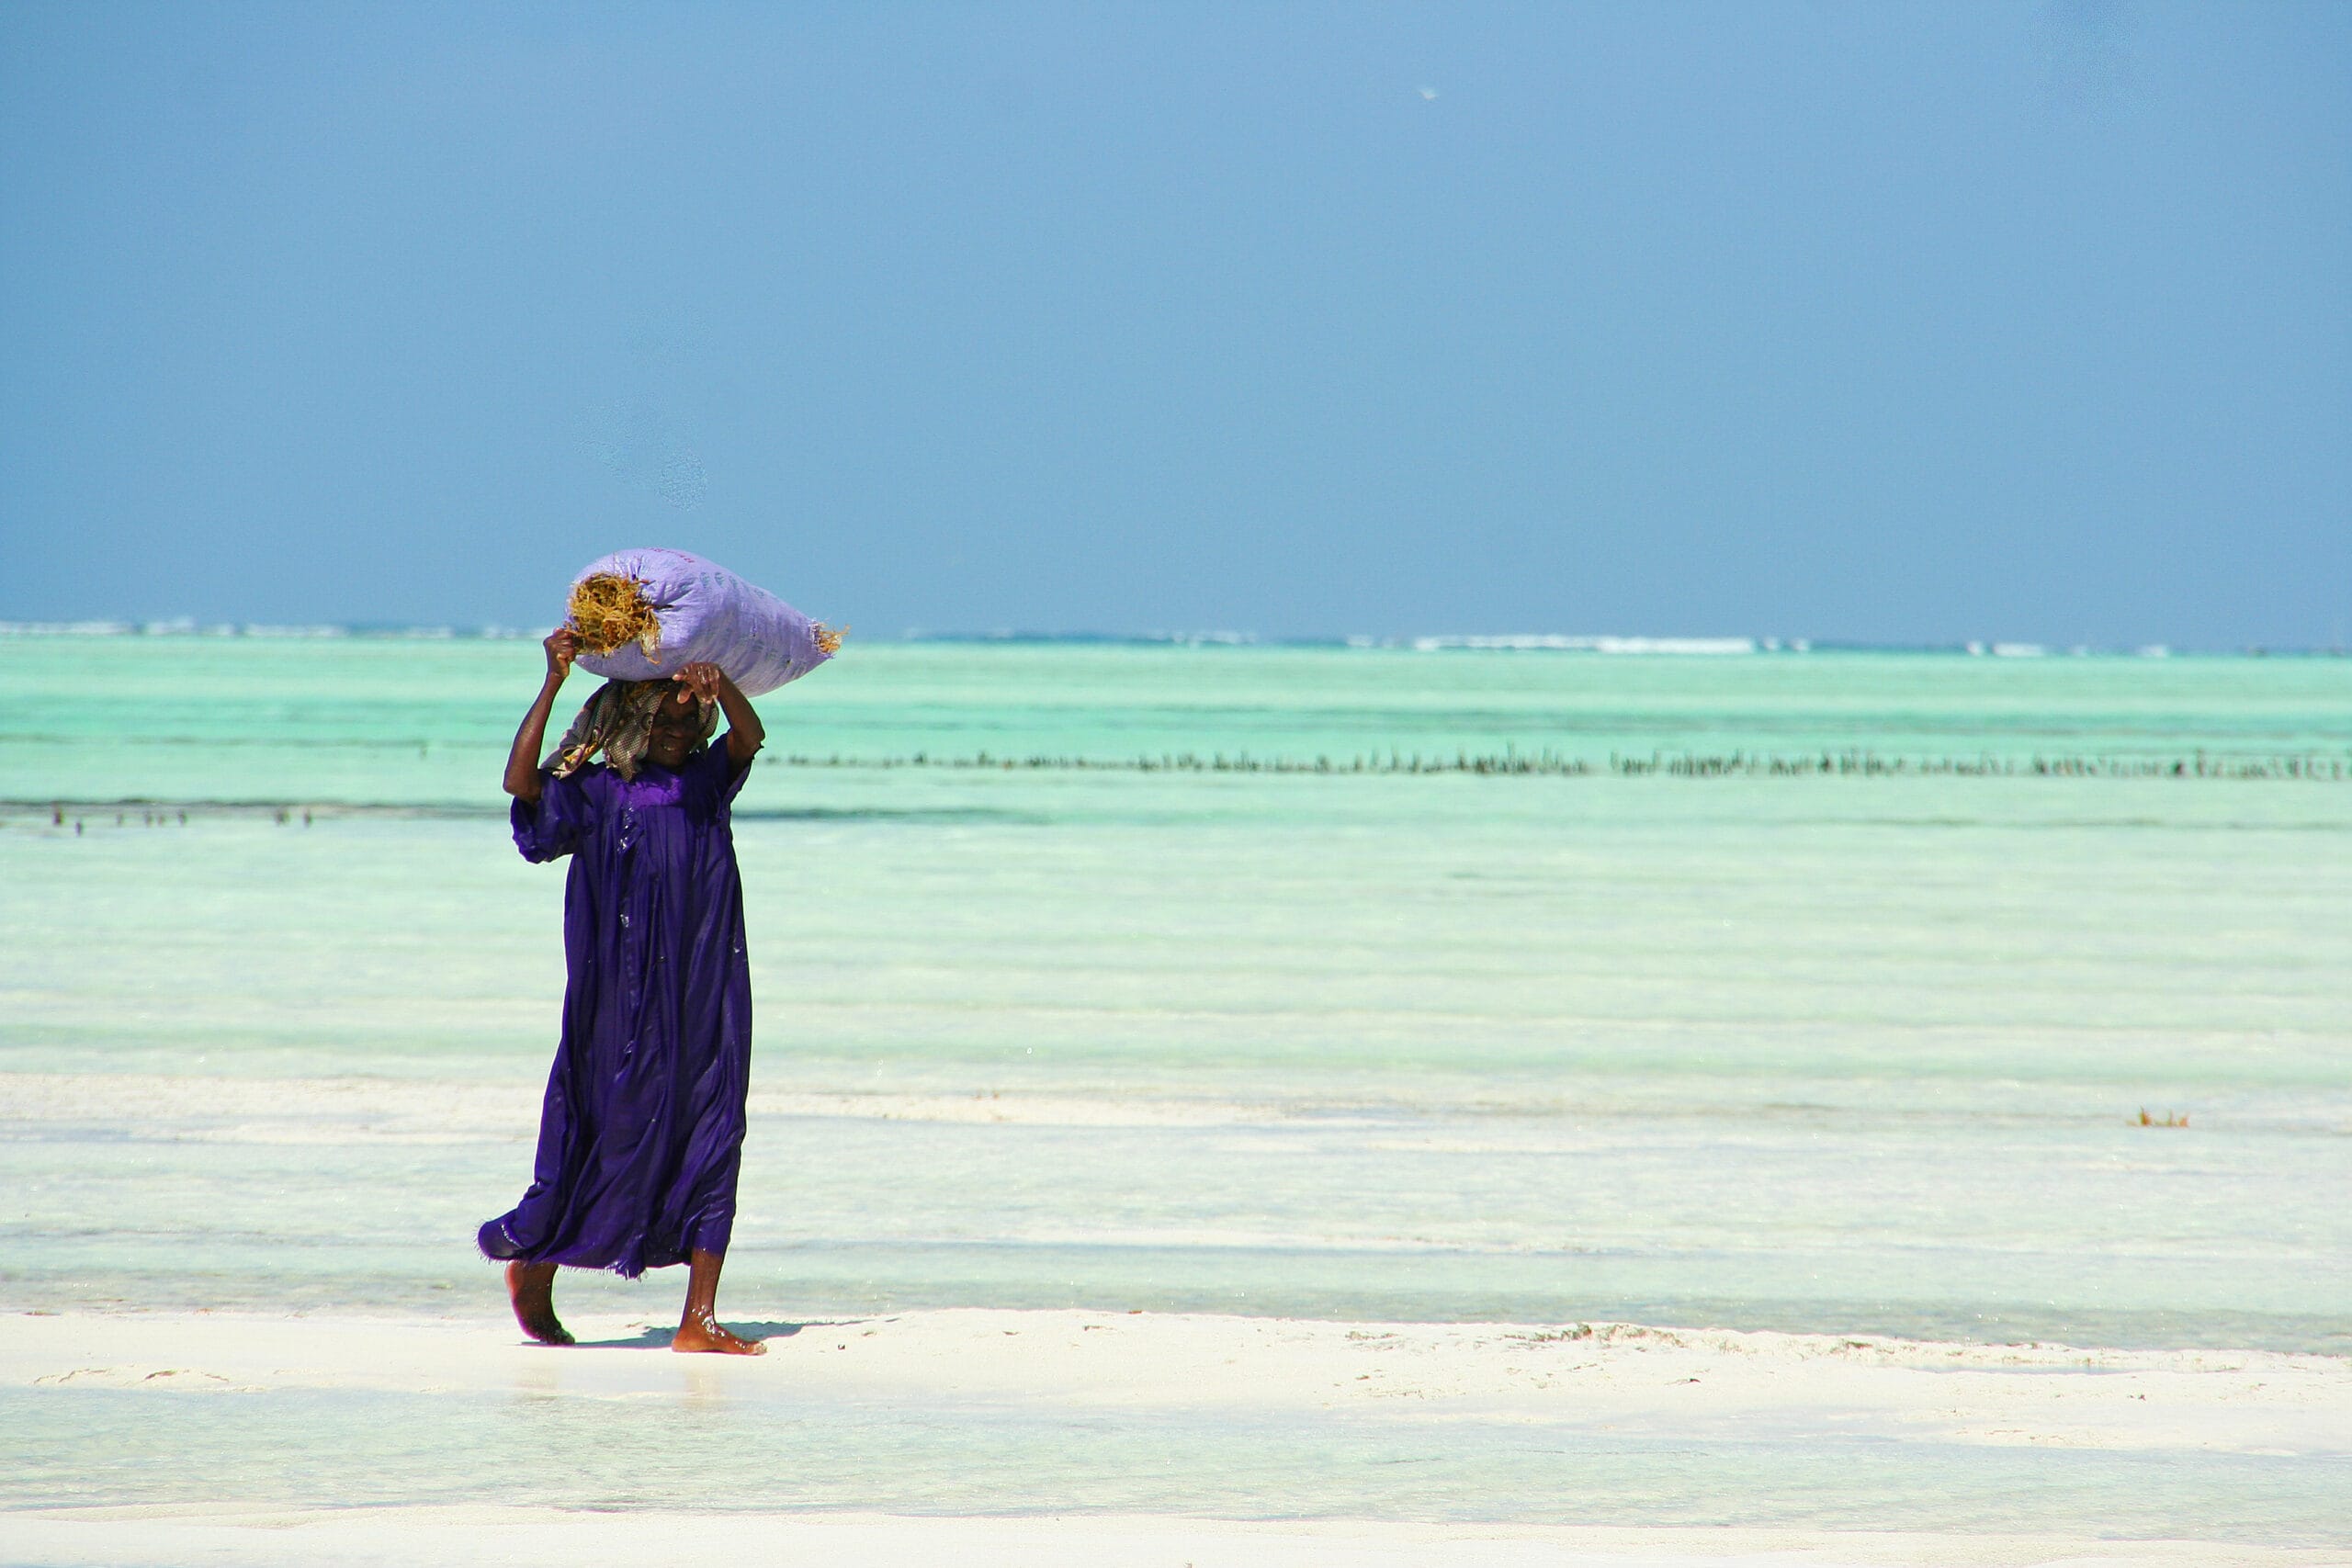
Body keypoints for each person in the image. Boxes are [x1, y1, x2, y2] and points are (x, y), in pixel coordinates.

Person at [479, 626, 768, 1354]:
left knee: (713, 1127)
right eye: (658, 718)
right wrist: (552, 683)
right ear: (626, 724)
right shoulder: (596, 792)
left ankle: (697, 1318)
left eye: (683, 719)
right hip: (617, 996)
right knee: (604, 1123)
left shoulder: (705, 784)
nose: (674, 729)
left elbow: (750, 736)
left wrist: (718, 687)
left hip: (705, 989)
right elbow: (520, 784)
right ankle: (535, 1265)